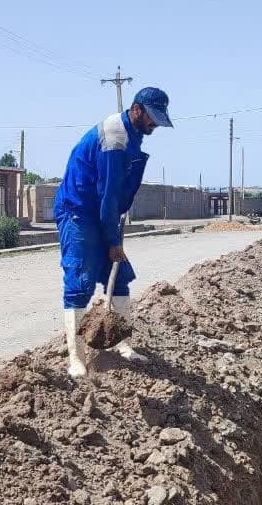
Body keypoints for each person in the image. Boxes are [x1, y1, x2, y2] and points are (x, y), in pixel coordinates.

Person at [53, 87, 172, 378]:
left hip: (102, 213)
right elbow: (107, 194)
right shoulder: (114, 138)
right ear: (135, 110)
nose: (154, 124)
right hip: (78, 211)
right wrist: (112, 242)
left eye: (158, 119)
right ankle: (76, 359)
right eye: (151, 118)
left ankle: (123, 346)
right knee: (79, 283)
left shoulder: (134, 134)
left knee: (118, 280)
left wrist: (113, 235)